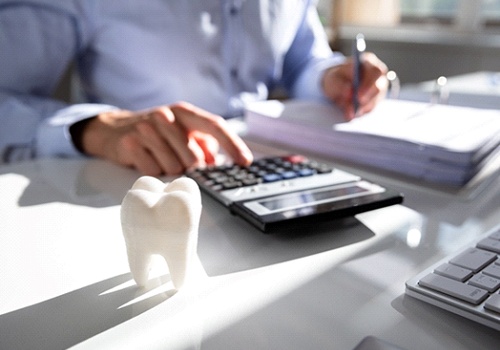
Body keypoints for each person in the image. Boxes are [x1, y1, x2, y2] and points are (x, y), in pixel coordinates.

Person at [0, 0, 388, 176]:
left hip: (269, 169)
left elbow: (301, 62)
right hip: (137, 178)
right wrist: (94, 128)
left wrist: (329, 78)